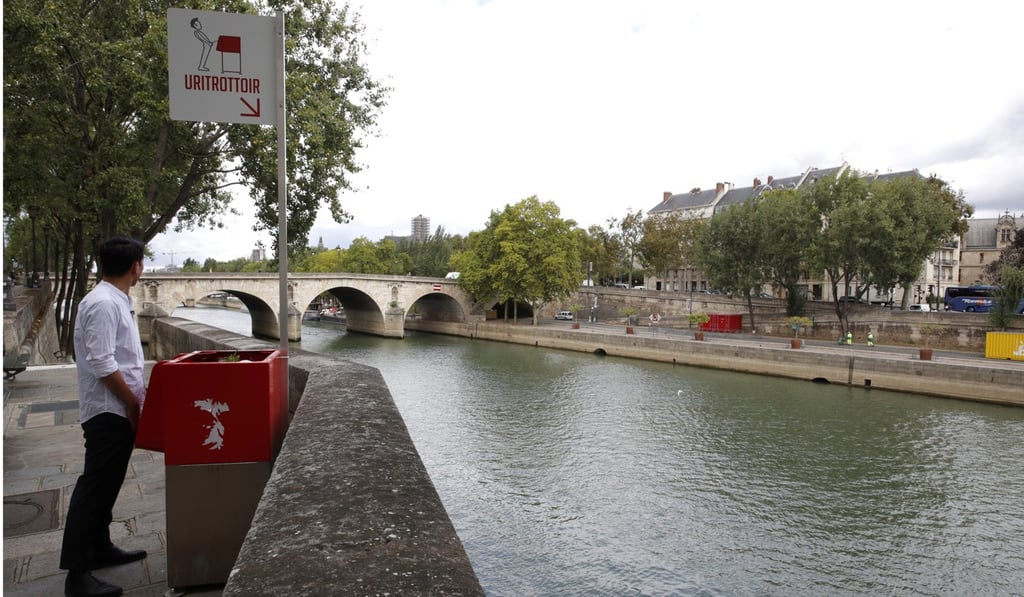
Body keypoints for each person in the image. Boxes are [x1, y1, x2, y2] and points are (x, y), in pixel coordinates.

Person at [61, 237, 148, 597]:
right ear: (135, 267)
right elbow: (101, 362)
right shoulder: (102, 304)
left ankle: (100, 546)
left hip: (117, 407)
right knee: (94, 487)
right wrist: (130, 402)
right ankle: (76, 574)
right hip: (109, 410)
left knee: (108, 482)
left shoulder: (114, 300)